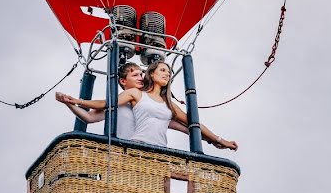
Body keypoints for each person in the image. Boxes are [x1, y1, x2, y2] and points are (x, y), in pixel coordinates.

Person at [61, 61, 237, 151]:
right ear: (123, 81)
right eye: (135, 75)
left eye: (141, 74)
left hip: (156, 152)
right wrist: (74, 101)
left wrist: (216, 140)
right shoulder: (130, 98)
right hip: (126, 150)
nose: (140, 77)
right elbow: (95, 113)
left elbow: (191, 126)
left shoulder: (160, 107)